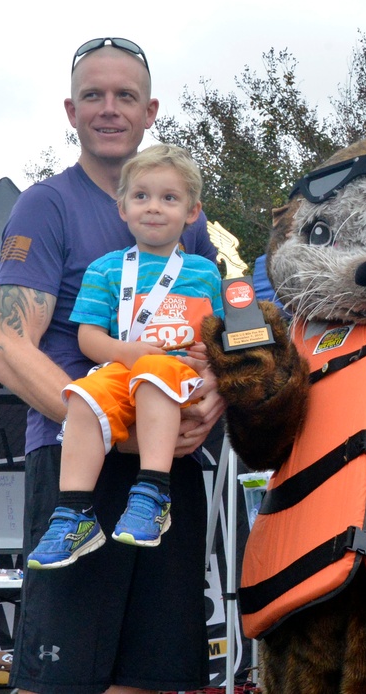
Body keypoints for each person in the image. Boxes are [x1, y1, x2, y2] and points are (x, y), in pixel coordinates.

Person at [0, 37, 224, 694]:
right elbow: (7, 350)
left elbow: (219, 341)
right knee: (62, 677)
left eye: (125, 96)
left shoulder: (183, 215)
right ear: (71, 110)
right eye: (94, 95)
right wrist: (108, 423)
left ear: (151, 110)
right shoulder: (47, 205)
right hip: (77, 467)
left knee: (152, 674)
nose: (109, 109)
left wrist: (212, 404)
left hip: (170, 468)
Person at [27, 144, 224, 568]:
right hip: (125, 368)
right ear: (123, 208)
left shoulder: (205, 273)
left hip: (178, 379)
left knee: (155, 369)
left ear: (192, 212)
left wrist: (211, 356)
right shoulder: (105, 268)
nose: (153, 207)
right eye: (141, 196)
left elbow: (221, 337)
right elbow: (87, 337)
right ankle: (74, 513)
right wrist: (124, 351)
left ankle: (153, 493)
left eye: (169, 198)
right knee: (80, 394)